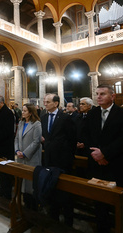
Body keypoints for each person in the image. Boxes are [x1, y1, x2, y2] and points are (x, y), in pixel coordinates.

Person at [83, 85, 123, 233]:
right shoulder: (92, 114)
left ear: (113, 96)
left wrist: (105, 153)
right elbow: (85, 135)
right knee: (99, 203)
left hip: (116, 164)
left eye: (102, 94)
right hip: (96, 165)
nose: (98, 97)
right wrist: (96, 155)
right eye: (97, 94)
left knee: (121, 203)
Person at [40, 93, 76, 226]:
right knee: (52, 188)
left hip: (63, 159)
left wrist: (68, 157)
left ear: (56, 103)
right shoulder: (43, 117)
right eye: (44, 101)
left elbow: (72, 139)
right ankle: (53, 216)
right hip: (49, 158)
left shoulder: (65, 118)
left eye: (48, 102)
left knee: (64, 191)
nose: (45, 104)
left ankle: (68, 220)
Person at [14, 103, 42, 210]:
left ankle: (33, 207)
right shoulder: (21, 123)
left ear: (30, 113)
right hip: (20, 157)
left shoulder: (36, 124)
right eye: (22, 110)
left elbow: (36, 141)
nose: (22, 112)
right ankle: (25, 204)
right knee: (23, 183)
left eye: (25, 111)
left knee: (31, 184)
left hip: (31, 157)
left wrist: (25, 153)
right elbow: (16, 138)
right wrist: (17, 150)